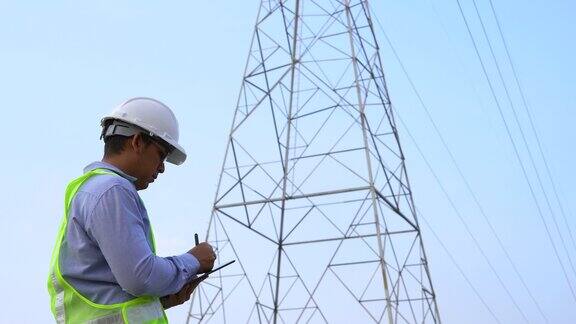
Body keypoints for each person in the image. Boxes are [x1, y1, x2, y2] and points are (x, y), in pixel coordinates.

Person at [47, 97, 215, 323]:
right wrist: (193, 260)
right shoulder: (112, 190)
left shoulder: (91, 189)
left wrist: (162, 298)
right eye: (161, 155)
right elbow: (140, 276)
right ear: (137, 142)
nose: (162, 168)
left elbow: (104, 289)